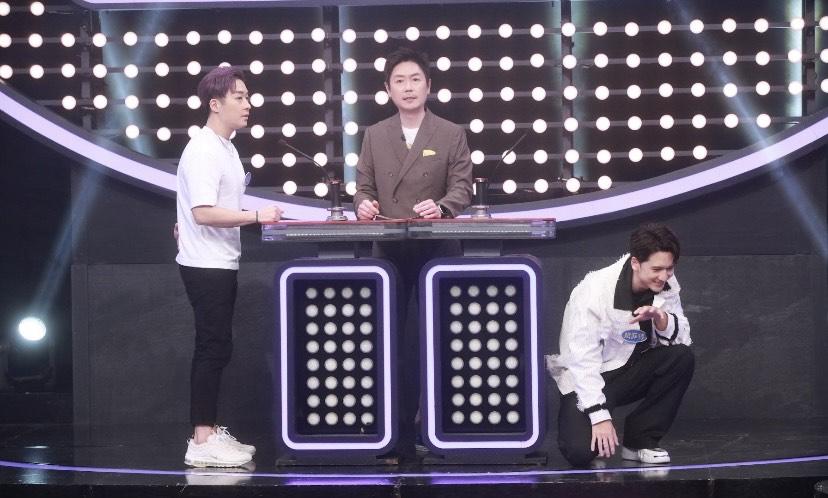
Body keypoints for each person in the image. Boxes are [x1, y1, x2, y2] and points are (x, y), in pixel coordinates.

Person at [353, 46, 473, 458]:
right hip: (389, 249)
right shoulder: (375, 134)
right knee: (385, 340)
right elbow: (363, 189)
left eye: (415, 79)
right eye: (399, 81)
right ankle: (389, 426)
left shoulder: (451, 132)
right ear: (388, 89)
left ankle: (438, 423)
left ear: (428, 86)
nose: (408, 87)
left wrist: (442, 207)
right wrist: (363, 205)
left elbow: (462, 188)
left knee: (441, 339)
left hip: (437, 248)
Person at [176, 66, 283, 467]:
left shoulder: (226, 148)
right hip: (205, 263)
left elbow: (199, 207)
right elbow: (202, 212)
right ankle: (201, 440)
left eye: (247, 96)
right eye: (239, 97)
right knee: (212, 347)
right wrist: (256, 216)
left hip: (219, 260)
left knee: (218, 346)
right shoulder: (204, 149)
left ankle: (207, 431)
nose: (247, 104)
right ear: (215, 104)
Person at [546, 223, 694, 467]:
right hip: (589, 376)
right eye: (657, 269)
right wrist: (599, 416)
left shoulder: (665, 282)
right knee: (579, 452)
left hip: (630, 372)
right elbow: (581, 361)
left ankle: (639, 442)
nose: (664, 276)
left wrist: (661, 317)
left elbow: (682, 339)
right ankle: (594, 429)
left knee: (681, 357)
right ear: (636, 263)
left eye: (670, 268)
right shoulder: (593, 291)